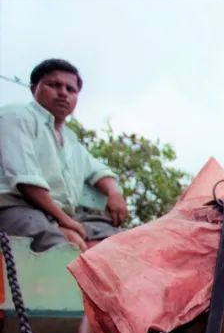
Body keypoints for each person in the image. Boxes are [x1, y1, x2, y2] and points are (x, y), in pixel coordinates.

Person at [0, 58, 128, 252]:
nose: (63, 93)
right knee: (62, 250)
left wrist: (114, 193)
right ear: (34, 88)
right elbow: (27, 183)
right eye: (54, 85)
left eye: (71, 89)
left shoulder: (71, 141)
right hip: (16, 207)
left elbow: (99, 172)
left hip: (61, 216)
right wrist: (64, 223)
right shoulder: (17, 116)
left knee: (124, 244)